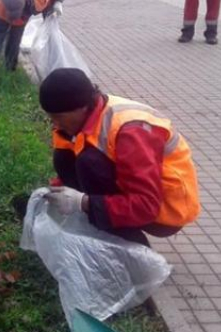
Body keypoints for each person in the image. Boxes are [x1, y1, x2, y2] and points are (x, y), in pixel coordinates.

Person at [39, 68, 200, 247]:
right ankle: (91, 228)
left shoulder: (132, 132)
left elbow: (145, 206)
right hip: (137, 193)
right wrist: (56, 193)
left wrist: (83, 202)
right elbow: (67, 162)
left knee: (89, 163)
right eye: (50, 117)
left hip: (166, 208)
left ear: (82, 107)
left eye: (58, 117)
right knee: (64, 157)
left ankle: (134, 252)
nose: (55, 123)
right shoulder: (85, 115)